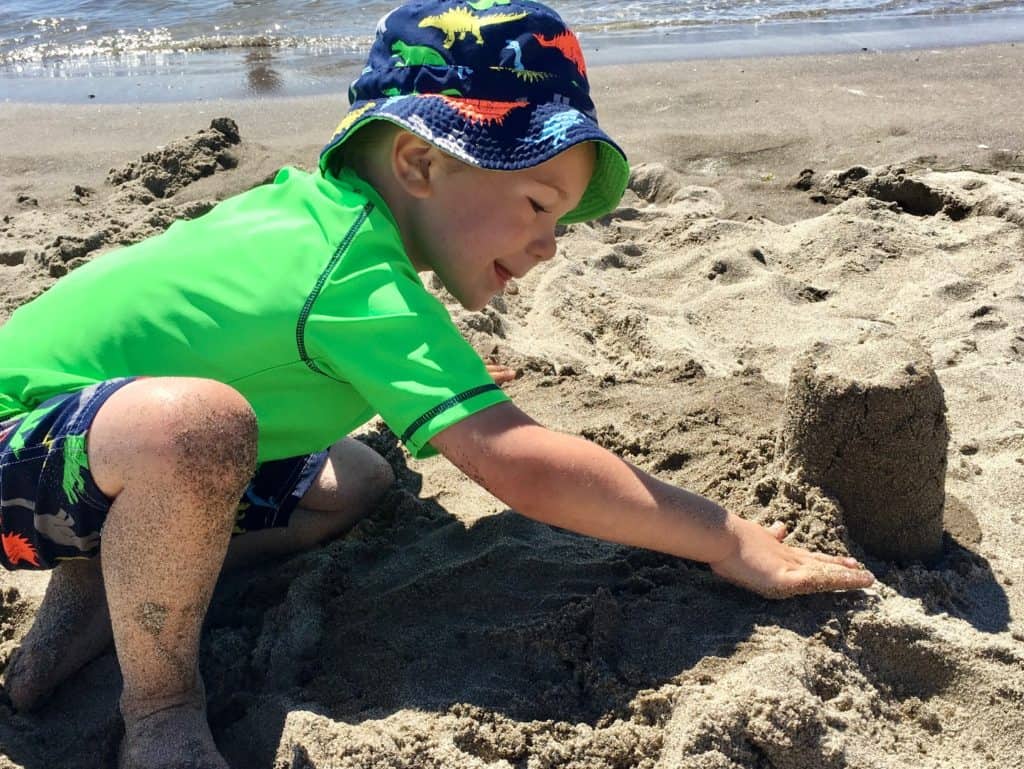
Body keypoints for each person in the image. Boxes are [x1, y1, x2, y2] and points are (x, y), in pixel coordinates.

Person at [0, 1, 874, 766]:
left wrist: (449, 381)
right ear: (420, 164)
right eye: (537, 204)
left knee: (356, 481)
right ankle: (158, 708)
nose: (548, 245)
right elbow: (517, 464)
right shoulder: (348, 274)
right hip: (25, 445)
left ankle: (109, 585)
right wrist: (722, 536)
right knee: (200, 426)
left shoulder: (331, 228)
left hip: (98, 461)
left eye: (560, 220)